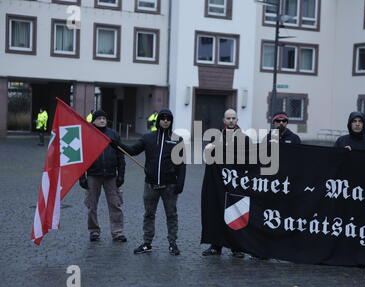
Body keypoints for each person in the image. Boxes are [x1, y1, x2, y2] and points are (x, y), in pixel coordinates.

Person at [113, 109, 186, 256]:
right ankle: (147, 243)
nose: (165, 121)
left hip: (170, 185)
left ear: (171, 121)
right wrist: (117, 144)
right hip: (150, 185)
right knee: (148, 214)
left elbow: (182, 164)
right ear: (158, 120)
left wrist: (180, 183)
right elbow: (133, 151)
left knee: (171, 215)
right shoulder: (148, 138)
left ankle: (173, 244)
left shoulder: (177, 140)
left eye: (168, 119)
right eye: (163, 118)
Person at [202, 108, 247, 259]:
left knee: (236, 216)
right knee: (217, 214)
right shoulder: (216, 137)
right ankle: (216, 246)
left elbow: (251, 159)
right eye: (228, 118)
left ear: (237, 120)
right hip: (219, 184)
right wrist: (208, 150)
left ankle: (237, 248)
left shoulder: (244, 139)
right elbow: (208, 160)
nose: (231, 120)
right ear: (224, 120)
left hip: (236, 184)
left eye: (234, 118)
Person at [79, 110, 127, 242]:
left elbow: (120, 155)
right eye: (99, 118)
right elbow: (81, 157)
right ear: (93, 120)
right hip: (93, 175)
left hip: (111, 175)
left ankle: (117, 232)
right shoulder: (87, 134)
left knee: (115, 204)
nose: (102, 121)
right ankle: (94, 231)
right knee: (91, 205)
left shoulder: (113, 135)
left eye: (104, 118)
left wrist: (121, 175)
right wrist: (82, 177)